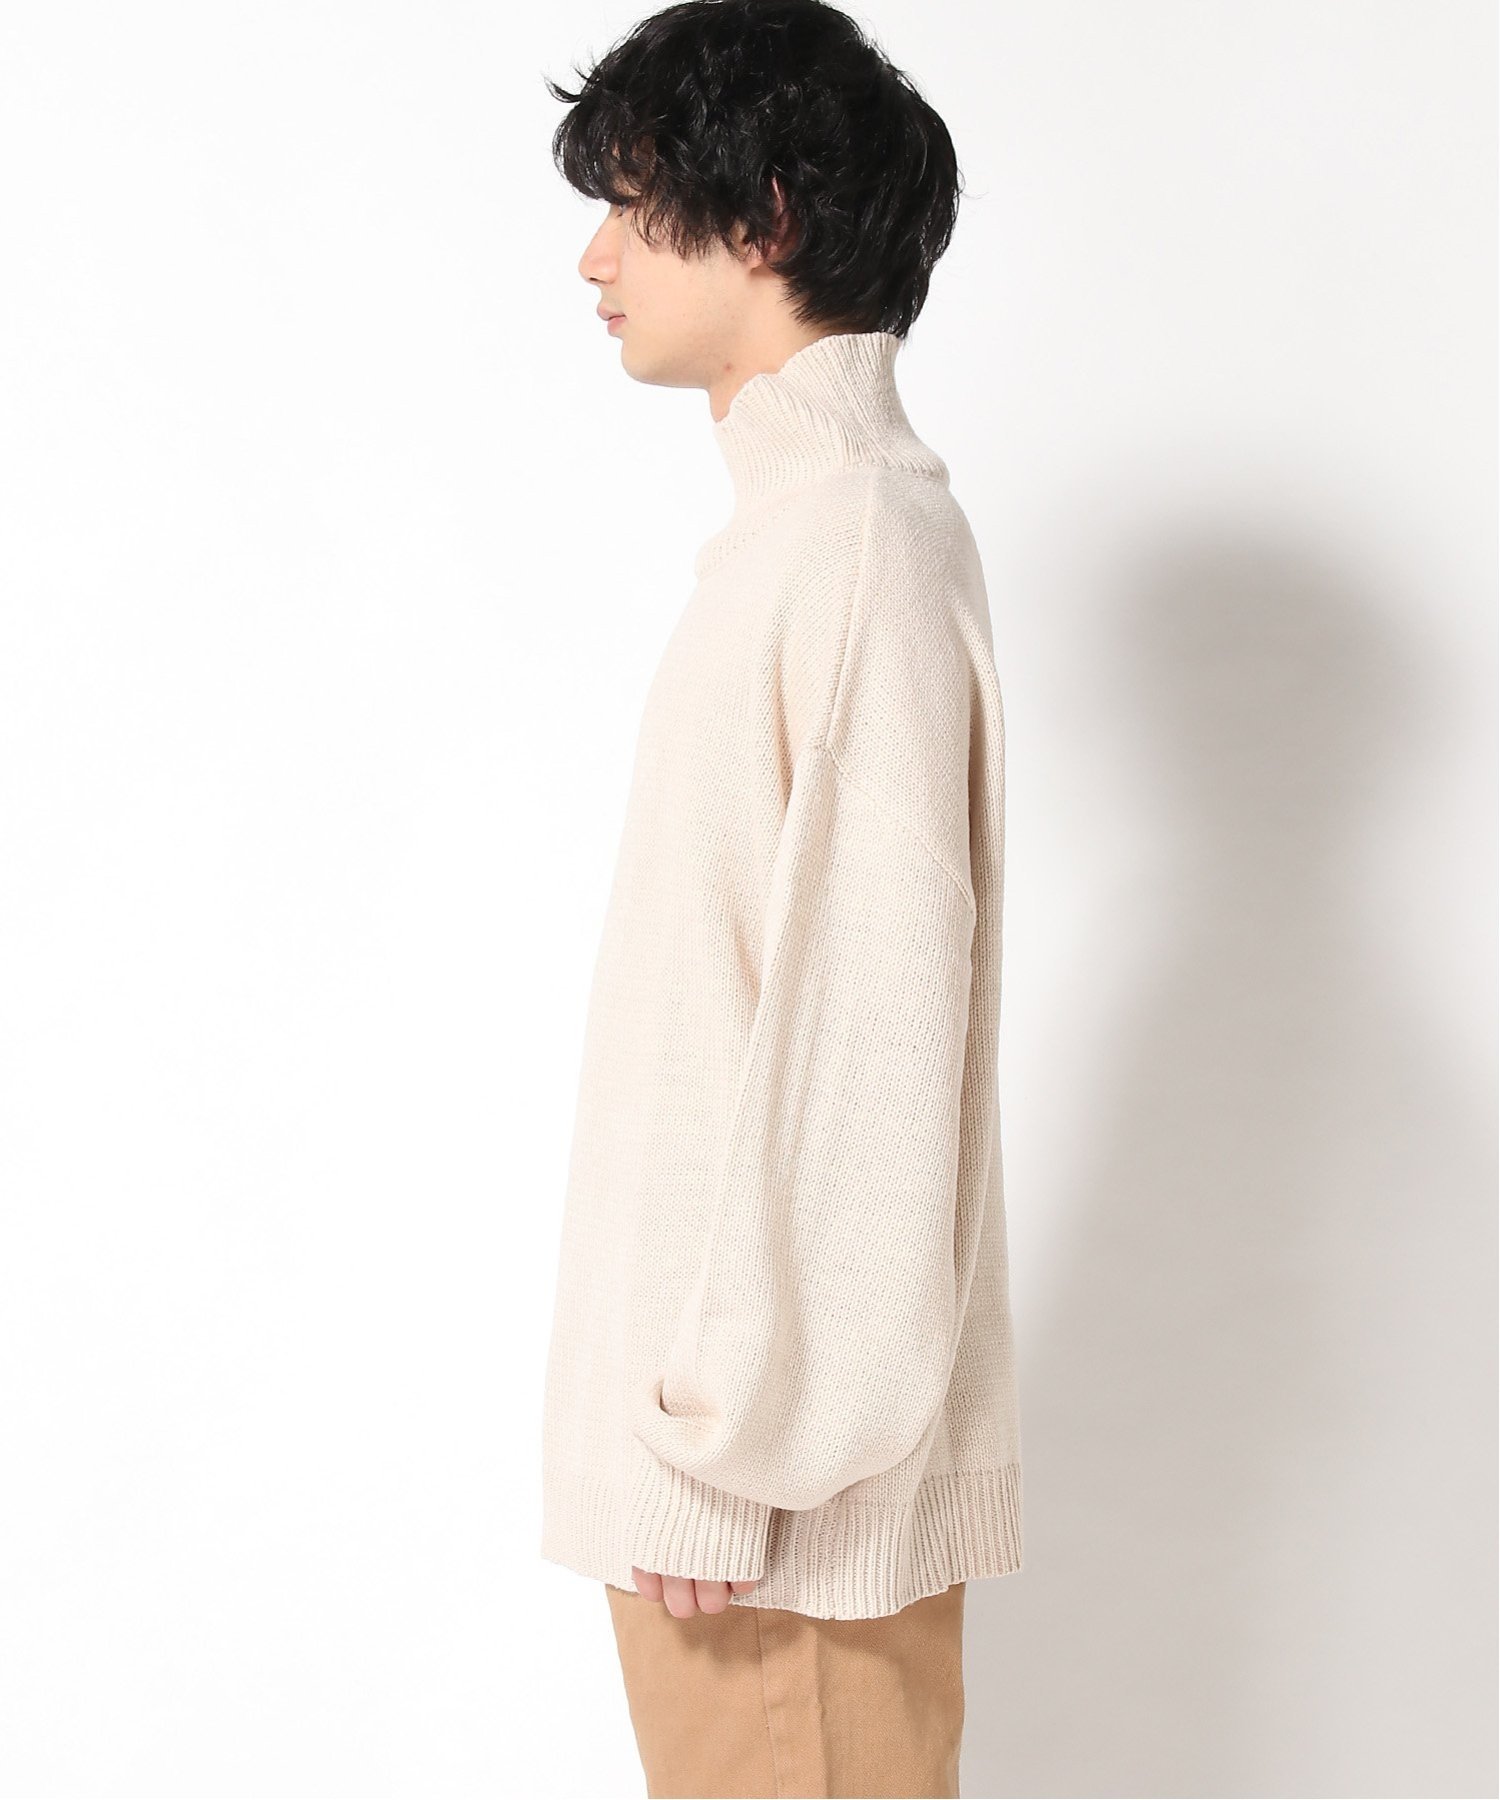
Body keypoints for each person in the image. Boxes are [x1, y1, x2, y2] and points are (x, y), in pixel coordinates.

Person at [538, 2, 1022, 1793]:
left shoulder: (857, 547)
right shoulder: (801, 540)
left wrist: (737, 1445)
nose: (593, 257)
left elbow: (869, 1041)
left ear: (768, 218)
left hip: (766, 1515)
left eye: (631, 201)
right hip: (733, 1486)